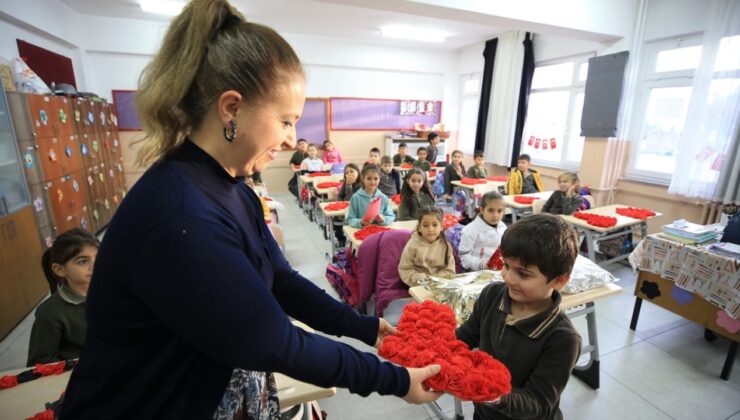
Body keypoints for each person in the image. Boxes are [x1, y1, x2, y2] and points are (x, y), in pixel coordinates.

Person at [59, 1, 441, 418]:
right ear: (231, 108)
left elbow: (280, 279)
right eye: (285, 121)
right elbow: (275, 341)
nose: (293, 139)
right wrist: (396, 380)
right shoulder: (181, 215)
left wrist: (364, 328)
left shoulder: (232, 187)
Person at [456, 214, 582, 420]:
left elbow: (538, 402)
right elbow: (466, 335)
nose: (508, 277)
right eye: (506, 265)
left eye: (523, 274)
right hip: (484, 412)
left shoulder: (563, 339)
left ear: (559, 281)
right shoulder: (492, 295)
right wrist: (433, 347)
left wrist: (494, 394)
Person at [27, 228, 100, 366]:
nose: (95, 266)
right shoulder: (49, 313)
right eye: (83, 261)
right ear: (60, 270)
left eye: (99, 257)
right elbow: (40, 364)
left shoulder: (115, 296)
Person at [398, 207, 456, 286]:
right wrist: (423, 279)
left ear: (441, 226)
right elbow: (405, 270)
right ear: (419, 227)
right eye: (425, 225)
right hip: (418, 285)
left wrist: (436, 279)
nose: (430, 229)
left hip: (440, 285)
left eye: (435, 225)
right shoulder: (412, 245)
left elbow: (450, 270)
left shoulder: (446, 245)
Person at [459, 191, 507, 271]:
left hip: (498, 270)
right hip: (476, 272)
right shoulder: (471, 230)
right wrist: (482, 265)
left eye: (499, 211)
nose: (495, 215)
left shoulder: (503, 227)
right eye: (490, 210)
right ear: (482, 210)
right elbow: (463, 257)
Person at [347, 164, 395, 228]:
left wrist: (383, 219)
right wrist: (361, 222)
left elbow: (391, 216)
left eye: (376, 179)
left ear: (379, 178)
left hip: (379, 232)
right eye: (369, 179)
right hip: (362, 233)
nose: (372, 182)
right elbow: (350, 219)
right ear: (363, 178)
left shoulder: (383, 198)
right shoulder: (355, 198)